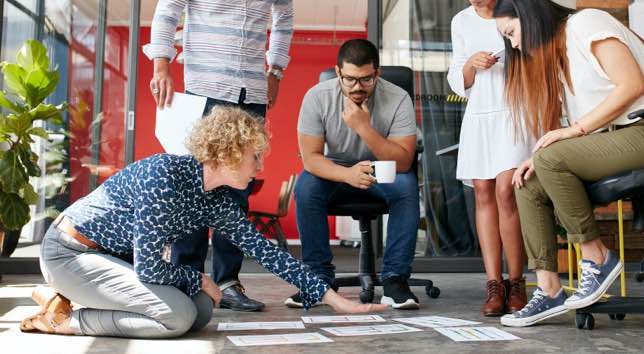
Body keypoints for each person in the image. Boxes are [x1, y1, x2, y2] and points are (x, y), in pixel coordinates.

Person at [20, 106, 385, 338]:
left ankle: (65, 298)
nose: (260, 166)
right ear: (226, 153)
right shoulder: (164, 177)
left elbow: (268, 252)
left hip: (113, 261)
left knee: (202, 311)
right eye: (254, 156)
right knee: (177, 316)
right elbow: (149, 268)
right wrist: (201, 277)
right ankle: (65, 320)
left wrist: (335, 300)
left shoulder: (217, 200)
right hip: (70, 253)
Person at [493, 0, 644, 327]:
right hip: (627, 140)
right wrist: (542, 156)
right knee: (528, 182)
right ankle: (549, 289)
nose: (513, 45)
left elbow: (632, 86)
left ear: (529, 17)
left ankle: (597, 257)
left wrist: (570, 136)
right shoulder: (559, 61)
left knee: (551, 159)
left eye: (511, 33)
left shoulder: (586, 23)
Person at [143, 0, 291, 311]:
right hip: (203, 90)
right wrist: (161, 65)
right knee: (193, 187)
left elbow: (284, 22)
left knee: (238, 191)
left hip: (251, 94)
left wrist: (274, 71)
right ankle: (188, 279)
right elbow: (167, 9)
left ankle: (228, 282)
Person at [290, 39, 421, 310]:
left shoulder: (398, 98)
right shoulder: (317, 97)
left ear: (377, 73)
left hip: (381, 166)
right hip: (336, 168)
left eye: (365, 80)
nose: (357, 87)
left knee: (406, 186)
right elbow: (312, 159)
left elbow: (405, 161)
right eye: (349, 79)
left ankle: (395, 279)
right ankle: (317, 279)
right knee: (306, 188)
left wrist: (364, 128)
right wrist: (347, 174)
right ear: (337, 72)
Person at [446, 0, 532, 317]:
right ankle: (493, 283)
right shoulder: (461, 21)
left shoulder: (519, 9)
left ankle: (518, 281)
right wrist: (469, 66)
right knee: (482, 191)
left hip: (514, 112)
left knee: (505, 192)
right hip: (479, 113)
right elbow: (455, 78)